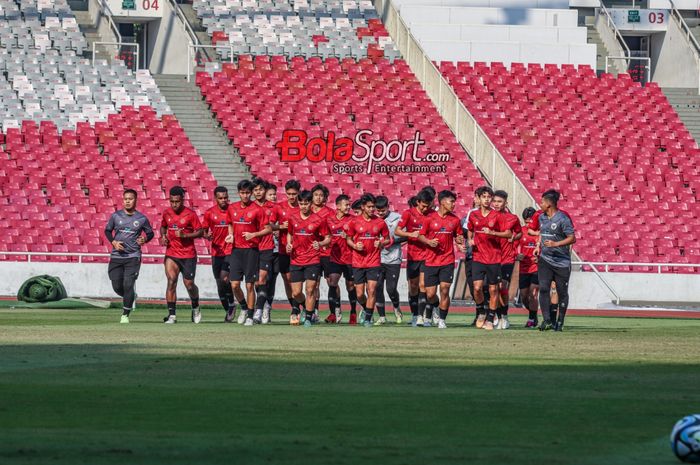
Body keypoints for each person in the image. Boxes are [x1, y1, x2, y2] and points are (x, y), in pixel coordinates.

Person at [225, 179, 271, 326]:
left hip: (252, 251)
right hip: (236, 251)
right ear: (238, 193)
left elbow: (268, 229)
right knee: (234, 285)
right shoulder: (232, 208)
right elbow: (230, 223)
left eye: (247, 193)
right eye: (242, 193)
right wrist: (231, 235)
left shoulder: (258, 209)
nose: (245, 195)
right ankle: (244, 307)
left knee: (250, 285)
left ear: (251, 193)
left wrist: (254, 235)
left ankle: (250, 316)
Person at [105, 189, 154, 323]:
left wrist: (145, 239)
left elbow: (150, 233)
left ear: (135, 200)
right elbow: (108, 231)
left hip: (133, 256)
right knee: (117, 287)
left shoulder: (141, 218)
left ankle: (125, 314)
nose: (127, 201)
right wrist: (113, 242)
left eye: (130, 199)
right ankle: (131, 296)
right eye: (125, 198)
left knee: (128, 284)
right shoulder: (116, 216)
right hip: (116, 256)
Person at [467, 186, 512, 331]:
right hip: (478, 256)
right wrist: (470, 240)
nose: (487, 199)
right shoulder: (473, 215)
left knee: (494, 290)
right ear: (478, 199)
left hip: (494, 258)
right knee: (477, 288)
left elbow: (507, 234)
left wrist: (492, 232)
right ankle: (481, 310)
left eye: (489, 197)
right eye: (484, 197)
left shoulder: (497, 216)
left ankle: (491, 318)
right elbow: (470, 230)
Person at [419, 190, 465, 329]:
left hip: (447, 260)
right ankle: (436, 308)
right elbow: (420, 236)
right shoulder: (429, 218)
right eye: (451, 201)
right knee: (430, 294)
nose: (454, 204)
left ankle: (442, 320)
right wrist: (428, 242)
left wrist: (459, 242)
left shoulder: (455, 220)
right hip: (431, 261)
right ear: (442, 202)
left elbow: (458, 237)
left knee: (445, 289)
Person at [286, 189, 331, 327]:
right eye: (301, 203)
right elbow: (290, 234)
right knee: (296, 292)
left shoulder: (318, 220)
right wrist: (289, 244)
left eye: (306, 203)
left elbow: (328, 238)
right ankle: (306, 308)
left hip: (313, 259)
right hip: (296, 259)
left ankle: (309, 318)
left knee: (310, 290)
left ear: (310, 203)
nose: (303, 206)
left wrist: (321, 243)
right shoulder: (292, 218)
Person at [160, 185, 203, 324]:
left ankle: (195, 306)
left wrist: (185, 235)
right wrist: (163, 236)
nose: (174, 204)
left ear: (182, 200)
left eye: (177, 201)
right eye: (172, 201)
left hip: (188, 254)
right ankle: (172, 315)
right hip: (172, 253)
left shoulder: (190, 214)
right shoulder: (166, 213)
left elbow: (200, 232)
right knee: (171, 281)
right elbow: (163, 226)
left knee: (189, 284)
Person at [345, 193, 390, 328]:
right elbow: (348, 239)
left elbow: (387, 239)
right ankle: (365, 308)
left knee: (371, 290)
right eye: (369, 207)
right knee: (359, 294)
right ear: (363, 207)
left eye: (373, 207)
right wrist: (354, 245)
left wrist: (381, 243)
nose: (372, 210)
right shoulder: (354, 222)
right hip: (358, 262)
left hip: (374, 262)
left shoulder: (380, 222)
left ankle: (368, 318)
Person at [534, 189, 576, 331]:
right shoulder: (542, 218)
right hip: (545, 259)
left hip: (561, 262)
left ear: (549, 204)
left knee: (561, 292)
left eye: (542, 202)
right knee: (544, 289)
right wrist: (538, 245)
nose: (540, 204)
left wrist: (555, 244)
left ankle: (560, 321)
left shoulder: (563, 219)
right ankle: (547, 320)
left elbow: (572, 238)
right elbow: (541, 233)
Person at [395, 189, 433, 327]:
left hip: (427, 255)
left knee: (424, 286)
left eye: (427, 206)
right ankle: (414, 314)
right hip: (412, 255)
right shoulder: (408, 214)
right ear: (417, 202)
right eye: (423, 205)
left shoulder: (432, 214)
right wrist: (411, 234)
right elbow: (397, 231)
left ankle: (422, 317)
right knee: (413, 287)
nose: (425, 208)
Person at [202, 186, 237, 322]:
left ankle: (232, 305)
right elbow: (204, 231)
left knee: (224, 278)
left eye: (225, 198)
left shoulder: (233, 211)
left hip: (230, 250)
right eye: (220, 198)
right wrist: (207, 235)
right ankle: (228, 308)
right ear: (215, 198)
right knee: (219, 284)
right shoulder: (209, 213)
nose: (223, 200)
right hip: (216, 252)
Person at [491, 190, 522, 330]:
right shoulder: (488, 217)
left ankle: (504, 317)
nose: (497, 204)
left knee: (502, 286)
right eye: (495, 201)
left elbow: (519, 232)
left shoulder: (513, 218)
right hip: (492, 257)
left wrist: (514, 237)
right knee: (493, 289)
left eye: (500, 201)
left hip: (507, 258)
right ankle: (498, 315)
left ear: (505, 203)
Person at [325, 194, 357, 324]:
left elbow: (358, 237)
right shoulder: (329, 220)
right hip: (335, 257)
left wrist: (350, 237)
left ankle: (353, 312)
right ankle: (334, 313)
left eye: (349, 205)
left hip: (350, 258)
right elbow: (325, 235)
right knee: (332, 282)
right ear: (338, 206)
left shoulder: (353, 220)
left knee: (350, 286)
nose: (348, 207)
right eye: (346, 205)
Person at [374, 195, 404, 325]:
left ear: (388, 207)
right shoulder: (373, 219)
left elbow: (407, 236)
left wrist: (392, 241)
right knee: (377, 287)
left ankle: (397, 308)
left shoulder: (397, 218)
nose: (380, 213)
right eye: (378, 211)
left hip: (393, 259)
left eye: (383, 210)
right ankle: (382, 316)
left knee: (391, 289)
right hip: (376, 259)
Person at [252, 178, 278, 324]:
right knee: (256, 282)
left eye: (260, 189)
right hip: (252, 248)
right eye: (255, 190)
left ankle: (260, 310)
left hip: (269, 247)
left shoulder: (274, 207)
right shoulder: (249, 207)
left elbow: (281, 224)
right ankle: (265, 303)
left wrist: (277, 229)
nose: (258, 192)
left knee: (267, 279)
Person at [277, 179, 301, 323]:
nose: (291, 196)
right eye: (289, 194)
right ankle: (294, 307)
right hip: (283, 249)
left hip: (300, 251)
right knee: (287, 280)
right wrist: (280, 226)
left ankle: (299, 308)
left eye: (294, 194)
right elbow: (270, 226)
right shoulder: (280, 208)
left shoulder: (303, 207)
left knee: (296, 280)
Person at [310, 184, 333, 322]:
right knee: (314, 283)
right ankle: (314, 312)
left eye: (321, 195)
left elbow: (331, 232)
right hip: (312, 253)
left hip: (327, 252)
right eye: (316, 195)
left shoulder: (329, 212)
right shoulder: (307, 210)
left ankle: (334, 311)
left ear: (325, 198)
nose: (318, 198)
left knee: (331, 282)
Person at [517, 207, 539, 328]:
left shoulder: (541, 233)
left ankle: (531, 319)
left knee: (533, 293)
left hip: (537, 268)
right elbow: (514, 246)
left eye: (530, 221)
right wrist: (517, 256)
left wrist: (540, 258)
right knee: (524, 296)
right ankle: (533, 314)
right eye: (526, 221)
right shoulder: (521, 231)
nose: (528, 223)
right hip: (524, 268)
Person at [460, 194, 479, 325]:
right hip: (471, 256)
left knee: (484, 286)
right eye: (478, 197)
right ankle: (480, 312)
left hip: (486, 257)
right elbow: (461, 234)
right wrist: (460, 243)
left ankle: (491, 314)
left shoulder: (494, 216)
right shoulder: (466, 218)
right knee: (473, 287)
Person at [262, 183, 280, 323]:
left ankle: (267, 306)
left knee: (272, 280)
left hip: (277, 250)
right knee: (263, 279)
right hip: (264, 249)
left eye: (274, 194)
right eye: (270, 194)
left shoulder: (279, 209)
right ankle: (261, 306)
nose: (273, 197)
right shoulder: (261, 210)